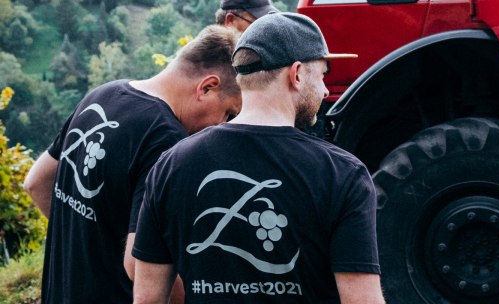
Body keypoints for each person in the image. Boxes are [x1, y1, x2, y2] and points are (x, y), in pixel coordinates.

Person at [131, 13, 385, 303]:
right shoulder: (342, 174)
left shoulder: (170, 166)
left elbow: (147, 299)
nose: (326, 90)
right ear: (297, 74)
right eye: (322, 75)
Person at [22, 25, 242, 302]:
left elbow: (36, 182)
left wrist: (87, 237)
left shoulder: (103, 94)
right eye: (228, 112)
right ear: (207, 87)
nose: (222, 125)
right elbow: (140, 266)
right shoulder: (165, 139)